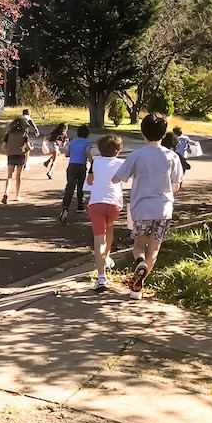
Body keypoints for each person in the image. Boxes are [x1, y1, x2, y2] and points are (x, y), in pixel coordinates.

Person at [112, 113, 184, 300]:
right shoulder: (172, 156)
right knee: (154, 248)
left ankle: (139, 262)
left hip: (141, 208)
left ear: (142, 132)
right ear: (163, 134)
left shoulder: (137, 155)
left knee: (138, 245)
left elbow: (118, 177)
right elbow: (175, 186)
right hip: (164, 208)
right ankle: (138, 287)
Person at [85, 134, 125, 292]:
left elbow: (89, 182)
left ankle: (101, 277)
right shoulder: (122, 163)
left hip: (96, 203)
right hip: (115, 203)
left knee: (98, 239)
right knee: (109, 227)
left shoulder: (95, 162)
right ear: (118, 150)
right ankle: (107, 257)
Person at [59, 124, 94, 223]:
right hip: (81, 166)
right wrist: (92, 162)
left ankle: (65, 207)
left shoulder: (73, 142)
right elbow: (87, 153)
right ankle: (80, 205)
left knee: (70, 186)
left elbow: (67, 154)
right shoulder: (87, 143)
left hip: (72, 166)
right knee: (80, 186)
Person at [0, 117, 33, 204]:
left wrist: (8, 152)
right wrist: (31, 148)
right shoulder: (24, 135)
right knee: (18, 176)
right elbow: (28, 147)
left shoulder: (9, 134)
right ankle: (17, 195)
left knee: (9, 176)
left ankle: (6, 192)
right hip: (20, 156)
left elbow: (3, 147)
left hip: (11, 156)